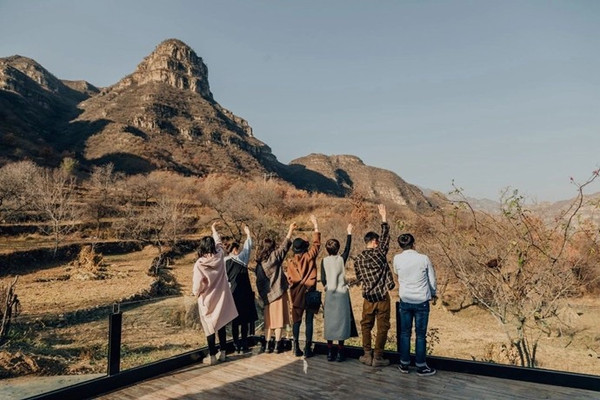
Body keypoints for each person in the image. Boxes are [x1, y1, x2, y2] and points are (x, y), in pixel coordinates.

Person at [353, 204, 395, 367]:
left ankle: (366, 354)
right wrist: (383, 217)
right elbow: (386, 238)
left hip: (368, 297)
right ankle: (378, 357)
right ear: (375, 242)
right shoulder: (379, 253)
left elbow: (359, 277)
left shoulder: (358, 259)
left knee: (366, 325)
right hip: (382, 295)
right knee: (382, 326)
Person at [192, 222, 238, 365]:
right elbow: (218, 242)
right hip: (222, 295)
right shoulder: (220, 255)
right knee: (221, 323)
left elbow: (197, 284)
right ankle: (223, 353)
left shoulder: (200, 263)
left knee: (209, 326)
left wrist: (196, 293)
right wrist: (213, 229)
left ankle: (212, 355)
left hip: (207, 298)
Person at [393, 233, 438, 376]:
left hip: (405, 299)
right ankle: (421, 365)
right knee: (420, 335)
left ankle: (404, 364)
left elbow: (397, 274)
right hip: (421, 301)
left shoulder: (397, 259)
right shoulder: (423, 258)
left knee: (405, 333)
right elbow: (432, 279)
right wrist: (433, 293)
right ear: (414, 243)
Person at [255, 222, 296, 354]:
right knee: (278, 321)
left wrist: (263, 295)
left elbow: (259, 282)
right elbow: (285, 245)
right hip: (278, 293)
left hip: (267, 296)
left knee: (268, 322)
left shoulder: (259, 264)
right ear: (272, 247)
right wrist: (290, 229)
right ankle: (277, 346)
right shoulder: (275, 257)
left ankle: (267, 346)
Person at [287, 215, 321, 357]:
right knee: (309, 321)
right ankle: (307, 348)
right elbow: (317, 244)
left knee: (296, 321)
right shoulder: (309, 257)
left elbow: (289, 279)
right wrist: (315, 225)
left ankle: (295, 347)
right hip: (309, 292)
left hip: (296, 294)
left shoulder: (290, 262)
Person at [321, 223, 354, 362]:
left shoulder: (323, 261)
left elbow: (323, 279)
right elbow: (347, 249)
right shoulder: (341, 259)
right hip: (342, 295)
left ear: (327, 249)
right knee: (341, 322)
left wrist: (327, 285)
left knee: (330, 323)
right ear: (338, 249)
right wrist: (349, 233)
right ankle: (340, 352)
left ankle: (329, 351)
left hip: (330, 294)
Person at [225, 225, 258, 353]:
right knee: (244, 320)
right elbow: (248, 247)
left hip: (232, 293)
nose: (238, 251)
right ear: (234, 250)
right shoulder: (241, 259)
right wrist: (248, 234)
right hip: (244, 293)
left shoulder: (224, 262)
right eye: (236, 249)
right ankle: (244, 344)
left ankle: (235, 344)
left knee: (234, 321)